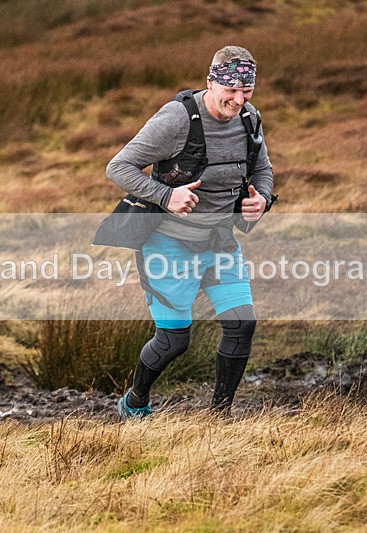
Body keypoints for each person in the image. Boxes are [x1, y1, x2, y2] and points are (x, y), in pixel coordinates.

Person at [105, 45, 273, 418]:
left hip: (219, 241)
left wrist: (261, 198)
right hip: (168, 241)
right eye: (231, 91)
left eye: (247, 92)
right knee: (174, 340)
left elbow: (263, 168)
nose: (239, 100)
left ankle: (219, 417)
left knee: (241, 324)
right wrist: (166, 195)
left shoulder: (250, 118)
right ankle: (135, 402)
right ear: (211, 82)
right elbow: (119, 167)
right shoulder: (178, 120)